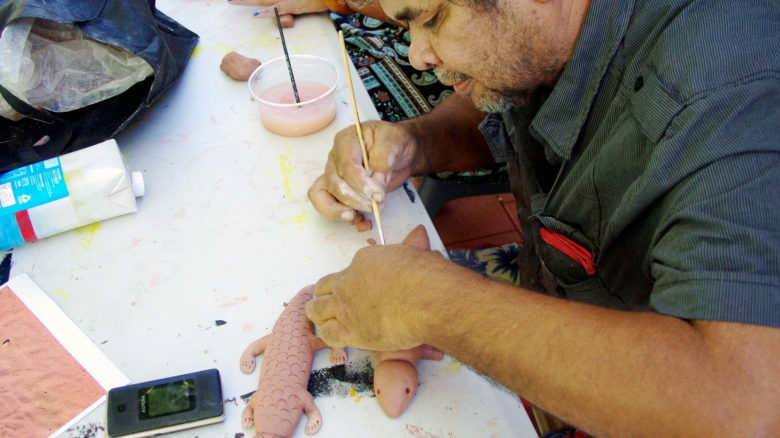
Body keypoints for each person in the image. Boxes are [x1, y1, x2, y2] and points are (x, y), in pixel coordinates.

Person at [304, 0, 780, 436]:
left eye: (429, 19)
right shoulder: (544, 33)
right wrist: (415, 143)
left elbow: (740, 406)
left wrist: (427, 303)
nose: (418, 55)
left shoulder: (730, 94)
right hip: (554, 293)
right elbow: (507, 86)